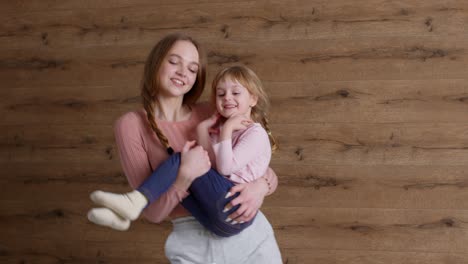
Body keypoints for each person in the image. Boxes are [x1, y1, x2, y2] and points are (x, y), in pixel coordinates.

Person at [87, 33, 282, 263]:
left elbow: (261, 164)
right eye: (174, 62)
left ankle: (130, 204)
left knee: (182, 160)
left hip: (251, 238)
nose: (182, 72)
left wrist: (259, 188)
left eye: (192, 68)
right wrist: (185, 177)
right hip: (194, 246)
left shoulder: (213, 112)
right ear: (156, 63)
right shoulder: (131, 125)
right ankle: (129, 208)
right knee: (182, 164)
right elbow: (154, 213)